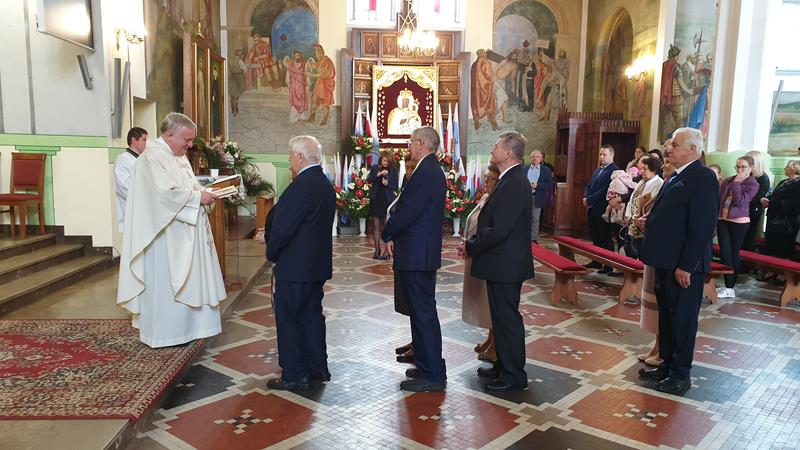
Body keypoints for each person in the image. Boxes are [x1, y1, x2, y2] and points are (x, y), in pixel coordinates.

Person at [117, 113, 224, 348]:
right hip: (165, 238)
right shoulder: (152, 158)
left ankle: (192, 329)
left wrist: (204, 194)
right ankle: (168, 334)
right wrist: (197, 198)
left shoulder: (178, 156)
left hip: (187, 231)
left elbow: (189, 185)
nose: (190, 145)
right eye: (187, 139)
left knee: (190, 281)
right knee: (168, 285)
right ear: (169, 135)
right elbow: (161, 196)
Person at [636, 127, 719, 395]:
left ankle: (681, 374)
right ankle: (667, 365)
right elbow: (673, 215)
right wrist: (650, 220)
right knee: (667, 317)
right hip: (664, 260)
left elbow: (703, 226)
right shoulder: (675, 176)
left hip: (683, 265)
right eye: (669, 143)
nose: (668, 148)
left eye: (675, 144)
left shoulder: (703, 177)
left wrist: (687, 265)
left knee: (682, 319)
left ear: (693, 149)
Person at [460, 131, 533, 393]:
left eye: (496, 146)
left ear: (509, 153)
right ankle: (503, 365)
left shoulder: (514, 182)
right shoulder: (508, 179)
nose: (492, 150)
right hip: (501, 262)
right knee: (500, 319)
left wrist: (472, 245)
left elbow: (500, 229)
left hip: (507, 264)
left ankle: (514, 375)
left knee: (507, 320)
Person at [266, 135, 335, 392]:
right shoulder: (324, 183)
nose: (289, 162)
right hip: (316, 265)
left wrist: (271, 249)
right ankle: (318, 368)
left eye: (290, 157)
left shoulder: (302, 186)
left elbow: (284, 228)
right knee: (312, 316)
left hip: (296, 267)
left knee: (290, 319)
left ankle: (295, 374)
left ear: (299, 157)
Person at [381, 126, 447, 392]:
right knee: (420, 313)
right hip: (418, 252)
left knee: (423, 314)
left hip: (418, 254)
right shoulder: (428, 169)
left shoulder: (427, 171)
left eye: (411, 141)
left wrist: (387, 232)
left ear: (421, 143)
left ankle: (433, 374)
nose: (409, 145)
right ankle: (425, 364)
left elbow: (408, 211)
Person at [462, 165, 501, 363]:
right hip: (476, 252)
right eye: (486, 178)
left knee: (490, 301)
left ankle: (496, 344)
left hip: (488, 256)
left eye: (491, 179)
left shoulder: (498, 200)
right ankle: (490, 338)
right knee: (484, 301)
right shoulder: (486, 197)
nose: (486, 182)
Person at [716, 156, 759, 299]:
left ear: (751, 168)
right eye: (737, 167)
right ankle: (728, 285)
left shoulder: (753, 184)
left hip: (739, 222)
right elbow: (720, 199)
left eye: (743, 167)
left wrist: (737, 183)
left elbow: (740, 202)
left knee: (733, 253)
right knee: (724, 252)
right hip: (723, 219)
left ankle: (730, 287)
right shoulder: (728, 180)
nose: (740, 170)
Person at [583, 145, 619, 273]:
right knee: (595, 236)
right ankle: (596, 261)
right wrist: (585, 197)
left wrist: (589, 200)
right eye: (600, 154)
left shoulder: (614, 171)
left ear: (612, 155)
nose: (602, 157)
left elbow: (604, 190)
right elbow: (589, 185)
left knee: (605, 237)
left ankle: (608, 265)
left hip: (603, 208)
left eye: (605, 155)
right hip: (592, 208)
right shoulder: (597, 170)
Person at [760, 160, 800, 264]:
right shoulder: (784, 182)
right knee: (771, 246)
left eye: (787, 166)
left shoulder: (798, 184)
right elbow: (775, 195)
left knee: (783, 248)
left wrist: (771, 203)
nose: (784, 168)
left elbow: (793, 203)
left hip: (787, 221)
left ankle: (782, 270)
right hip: (773, 217)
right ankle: (770, 268)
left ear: (794, 169)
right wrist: (766, 199)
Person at [114, 127, 148, 233]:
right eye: (144, 140)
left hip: (144, 211)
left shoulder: (142, 160)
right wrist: (146, 194)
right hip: (132, 211)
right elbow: (124, 186)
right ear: (133, 140)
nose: (146, 143)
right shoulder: (123, 159)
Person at [367, 152, 398, 260]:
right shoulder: (375, 168)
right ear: (381, 160)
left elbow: (395, 187)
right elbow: (369, 180)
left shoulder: (393, 170)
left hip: (387, 200)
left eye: (388, 161)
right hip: (376, 198)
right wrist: (379, 174)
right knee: (375, 225)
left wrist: (387, 184)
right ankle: (377, 250)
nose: (386, 163)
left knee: (386, 226)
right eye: (384, 160)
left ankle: (386, 251)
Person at [742, 151, 771, 252]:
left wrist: (741, 199)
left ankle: (747, 257)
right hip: (743, 208)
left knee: (749, 235)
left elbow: (757, 197)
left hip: (753, 210)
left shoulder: (763, 178)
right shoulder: (747, 175)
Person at [525, 150, 553, 242]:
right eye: (533, 157)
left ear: (541, 159)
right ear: (530, 158)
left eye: (537, 157)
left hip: (537, 197)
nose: (535, 158)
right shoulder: (524, 169)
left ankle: (533, 239)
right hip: (525, 197)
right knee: (523, 218)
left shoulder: (546, 170)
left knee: (535, 218)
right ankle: (523, 237)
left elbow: (549, 185)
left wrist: (538, 185)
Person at [307, 44, 336, 126]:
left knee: (325, 103)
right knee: (314, 99)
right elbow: (314, 65)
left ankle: (324, 119)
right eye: (316, 52)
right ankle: (312, 116)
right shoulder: (321, 61)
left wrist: (309, 74)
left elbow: (321, 74)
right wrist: (309, 64)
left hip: (326, 84)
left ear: (322, 52)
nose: (317, 54)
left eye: (318, 51)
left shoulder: (327, 61)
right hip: (320, 84)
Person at [470, 49, 498, 130]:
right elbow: (489, 76)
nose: (486, 54)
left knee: (476, 105)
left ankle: (477, 123)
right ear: (482, 54)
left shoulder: (474, 64)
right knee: (490, 104)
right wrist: (493, 80)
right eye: (484, 53)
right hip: (487, 88)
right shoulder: (486, 62)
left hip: (476, 91)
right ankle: (494, 124)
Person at [285, 50, 308, 122]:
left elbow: (306, 75)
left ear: (300, 56)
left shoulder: (304, 64)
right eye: (296, 56)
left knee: (302, 100)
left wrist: (307, 83)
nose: (297, 57)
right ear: (294, 57)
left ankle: (302, 117)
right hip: (294, 86)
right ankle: (294, 118)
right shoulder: (291, 65)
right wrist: (288, 84)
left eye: (298, 55)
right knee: (294, 101)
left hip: (302, 85)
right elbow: (288, 75)